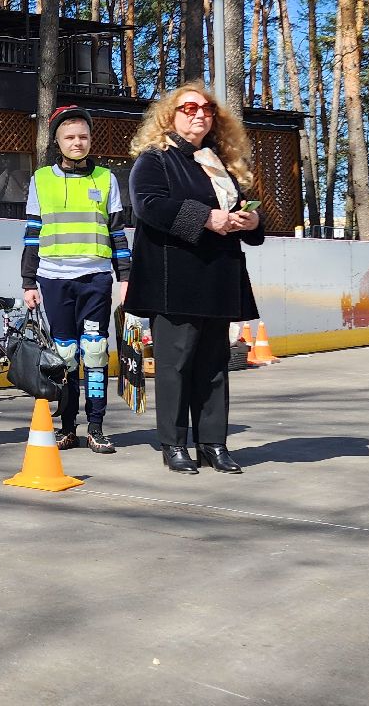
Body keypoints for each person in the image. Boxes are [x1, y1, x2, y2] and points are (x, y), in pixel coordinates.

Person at [125, 81, 264, 475]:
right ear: (170, 116)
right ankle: (173, 444)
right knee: (175, 366)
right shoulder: (155, 159)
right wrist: (206, 218)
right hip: (175, 281)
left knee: (215, 367)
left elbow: (241, 211)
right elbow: (149, 205)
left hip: (219, 278)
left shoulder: (219, 162)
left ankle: (213, 444)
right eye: (189, 108)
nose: (200, 114)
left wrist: (251, 220)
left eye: (206, 109)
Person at [21, 105, 133, 454]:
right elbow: (32, 233)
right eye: (69, 137)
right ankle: (68, 427)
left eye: (83, 136)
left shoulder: (106, 179)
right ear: (57, 142)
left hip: (95, 278)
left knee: (95, 353)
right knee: (65, 356)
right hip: (54, 279)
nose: (77, 142)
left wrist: (126, 278)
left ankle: (96, 427)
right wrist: (28, 282)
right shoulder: (41, 179)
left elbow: (118, 233)